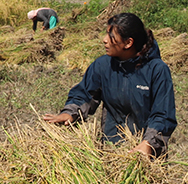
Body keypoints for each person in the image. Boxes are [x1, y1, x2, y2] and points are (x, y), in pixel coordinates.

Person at [44, 12, 176, 158]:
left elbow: (163, 115)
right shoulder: (103, 65)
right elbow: (85, 95)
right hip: (111, 151)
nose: (104, 40)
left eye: (111, 36)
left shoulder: (156, 70)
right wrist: (69, 113)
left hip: (147, 156)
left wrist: (148, 144)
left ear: (128, 43)